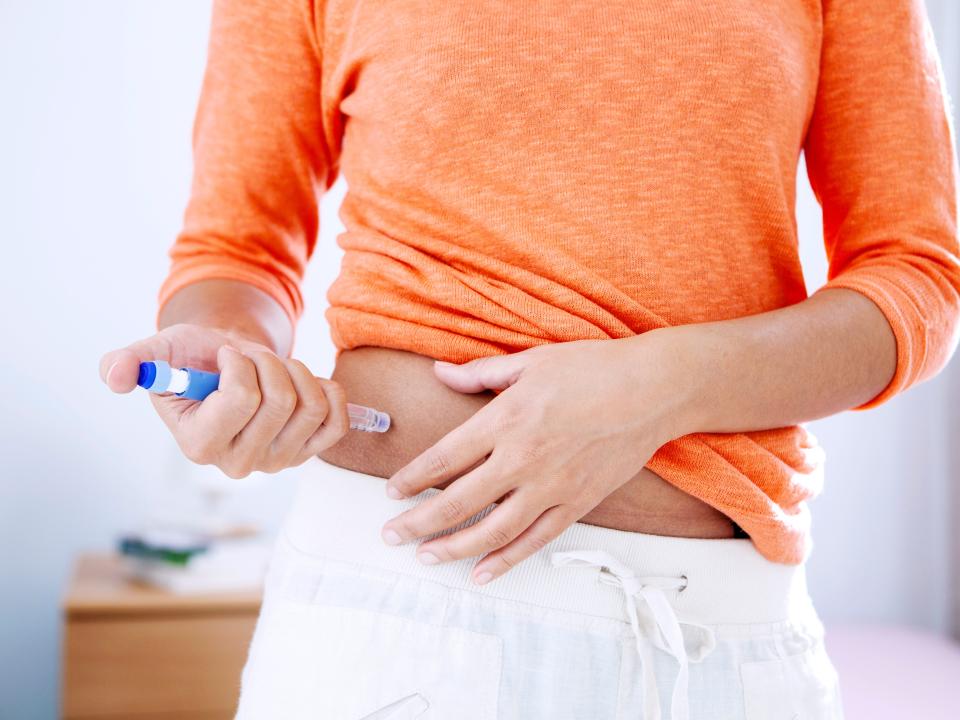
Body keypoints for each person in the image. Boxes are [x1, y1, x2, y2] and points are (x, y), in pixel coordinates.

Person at [100, 1, 960, 718]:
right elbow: (237, 251)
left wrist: (658, 387)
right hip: (394, 624)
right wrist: (237, 359)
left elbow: (919, 279)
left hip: (716, 640)